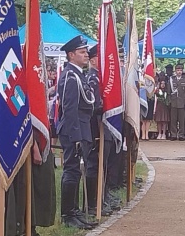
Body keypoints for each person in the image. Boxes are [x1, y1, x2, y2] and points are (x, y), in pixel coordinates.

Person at [57, 35, 96, 229]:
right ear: (71, 55)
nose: (86, 55)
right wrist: (75, 136)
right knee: (71, 170)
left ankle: (74, 211)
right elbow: (69, 107)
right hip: (74, 129)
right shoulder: (70, 76)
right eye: (82, 52)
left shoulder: (78, 74)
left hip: (82, 127)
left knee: (77, 171)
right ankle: (67, 214)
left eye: (86, 51)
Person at [84, 45, 114, 217]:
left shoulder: (100, 78)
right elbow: (93, 106)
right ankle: (94, 202)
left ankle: (101, 197)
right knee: (95, 165)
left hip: (103, 128)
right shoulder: (93, 79)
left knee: (103, 165)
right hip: (96, 128)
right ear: (94, 60)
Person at [167, 64, 185, 141]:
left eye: (180, 70)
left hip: (182, 103)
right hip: (173, 102)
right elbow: (168, 92)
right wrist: (169, 101)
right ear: (175, 71)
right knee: (173, 120)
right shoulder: (171, 80)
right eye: (178, 70)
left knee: (181, 120)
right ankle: (173, 134)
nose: (179, 72)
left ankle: (181, 135)